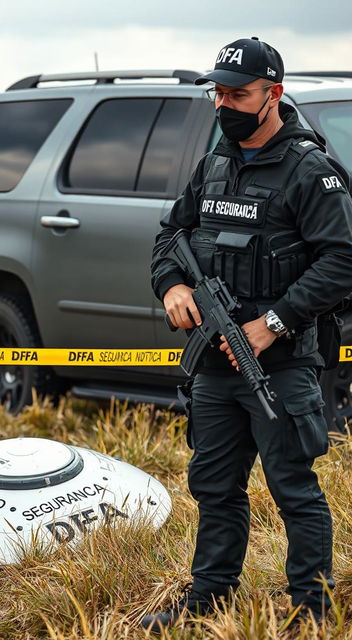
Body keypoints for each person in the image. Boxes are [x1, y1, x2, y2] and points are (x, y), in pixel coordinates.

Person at [143, 38, 352, 630]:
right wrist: (173, 289)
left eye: (238, 94)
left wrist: (274, 324)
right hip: (214, 364)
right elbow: (168, 238)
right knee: (214, 487)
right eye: (219, 93)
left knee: (294, 489)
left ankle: (310, 608)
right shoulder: (214, 164)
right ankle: (208, 598)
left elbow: (341, 261)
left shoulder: (311, 170)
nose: (224, 105)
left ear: (274, 95)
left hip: (279, 365)